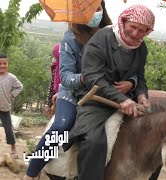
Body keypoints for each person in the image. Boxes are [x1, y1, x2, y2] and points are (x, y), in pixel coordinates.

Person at [23, 1, 120, 179]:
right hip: (73, 93)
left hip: (104, 94)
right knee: (62, 126)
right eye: (87, 10)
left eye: (97, 8)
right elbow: (66, 76)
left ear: (102, 9)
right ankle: (32, 172)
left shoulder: (113, 34)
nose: (93, 14)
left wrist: (130, 82)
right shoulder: (70, 38)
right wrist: (85, 78)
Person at [67, 4, 156, 180]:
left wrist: (141, 95)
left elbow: (140, 76)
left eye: (142, 30)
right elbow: (93, 76)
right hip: (95, 101)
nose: (136, 34)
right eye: (133, 27)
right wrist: (122, 99)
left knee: (154, 137)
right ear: (123, 21)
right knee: (93, 142)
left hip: (128, 102)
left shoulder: (141, 48)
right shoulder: (102, 39)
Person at [0, 54, 23, 158]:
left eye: (5, 63)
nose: (2, 66)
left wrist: (12, 94)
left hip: (5, 107)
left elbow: (19, 86)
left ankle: (13, 149)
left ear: (7, 64)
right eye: (0, 64)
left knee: (9, 129)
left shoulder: (11, 77)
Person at [44, 43, 60, 119]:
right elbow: (52, 87)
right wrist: (49, 104)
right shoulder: (56, 67)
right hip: (56, 101)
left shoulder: (69, 67)